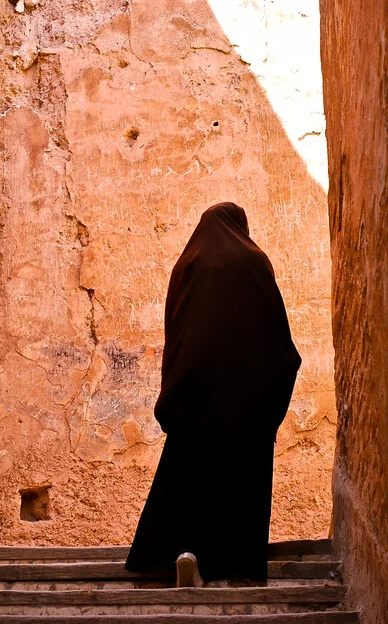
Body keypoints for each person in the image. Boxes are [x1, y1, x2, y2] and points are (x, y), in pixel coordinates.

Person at [124, 202, 302, 587]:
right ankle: (237, 564)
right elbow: (274, 331)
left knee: (190, 477)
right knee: (242, 480)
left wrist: (175, 384)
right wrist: (270, 392)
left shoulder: (188, 262)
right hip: (247, 401)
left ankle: (186, 553)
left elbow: (178, 330)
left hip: (195, 394)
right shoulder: (255, 260)